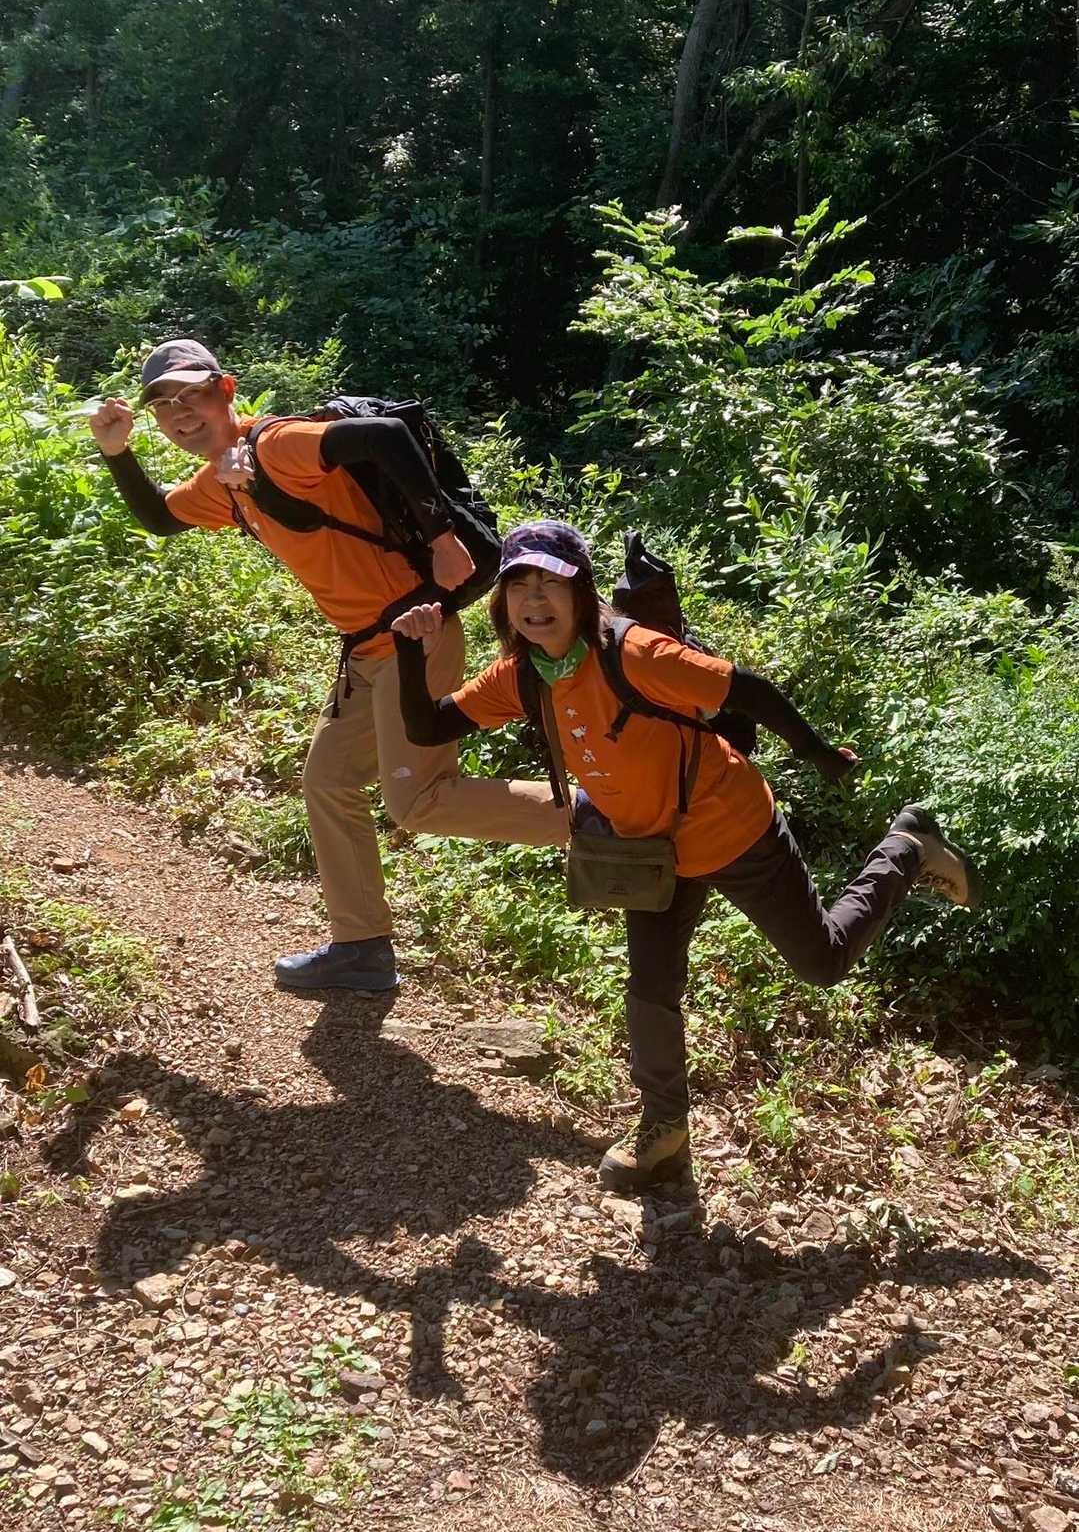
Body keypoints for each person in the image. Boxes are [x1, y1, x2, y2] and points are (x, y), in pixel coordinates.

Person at [391, 520, 982, 1195]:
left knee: (821, 962)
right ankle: (664, 1128)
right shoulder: (525, 676)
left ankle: (906, 847)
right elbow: (428, 726)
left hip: (732, 828)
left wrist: (818, 755)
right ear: (502, 603)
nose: (534, 600)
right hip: (650, 851)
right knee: (650, 989)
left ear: (581, 593)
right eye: (518, 585)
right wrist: (410, 649)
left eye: (549, 583)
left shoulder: (635, 653)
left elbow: (748, 690)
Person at [89, 338, 569, 994]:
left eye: (192, 394)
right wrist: (116, 452)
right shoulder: (223, 482)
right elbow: (159, 517)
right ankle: (361, 948)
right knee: (329, 781)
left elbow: (383, 437)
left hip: (415, 637)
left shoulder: (276, 445)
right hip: (367, 651)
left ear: (225, 390)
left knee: (419, 801)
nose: (180, 413)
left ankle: (607, 818)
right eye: (164, 405)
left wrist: (440, 537)